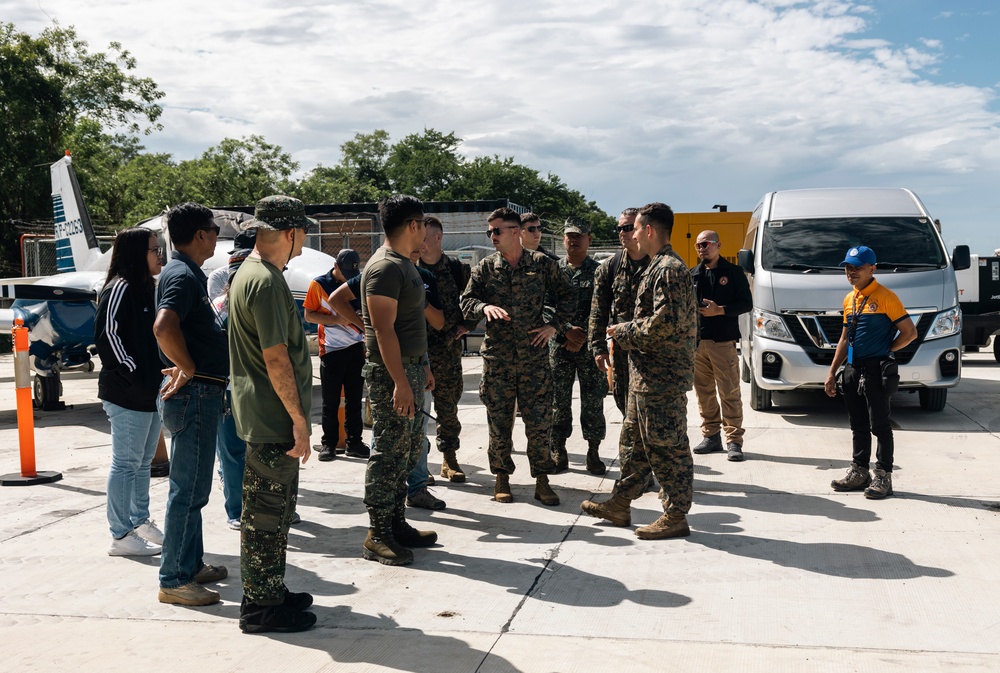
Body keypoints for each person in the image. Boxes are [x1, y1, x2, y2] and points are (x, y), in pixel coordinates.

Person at [581, 202, 698, 540]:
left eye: (635, 229)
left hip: (661, 378)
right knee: (633, 444)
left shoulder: (669, 269)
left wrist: (623, 331)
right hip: (643, 376)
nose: (630, 234)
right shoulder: (656, 266)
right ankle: (620, 503)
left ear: (648, 230)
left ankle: (676, 514)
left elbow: (664, 325)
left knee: (667, 447)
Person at [228, 195, 317, 633]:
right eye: (303, 230)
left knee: (275, 510)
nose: (306, 237)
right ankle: (261, 606)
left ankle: (270, 590)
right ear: (289, 233)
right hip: (271, 416)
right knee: (266, 513)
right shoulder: (263, 280)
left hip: (266, 412)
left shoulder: (257, 273)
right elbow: (276, 357)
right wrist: (299, 419)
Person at [461, 207, 575, 505]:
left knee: (539, 421)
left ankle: (542, 479)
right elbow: (466, 301)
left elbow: (569, 296)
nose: (492, 237)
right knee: (499, 421)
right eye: (490, 232)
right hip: (497, 359)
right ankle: (501, 477)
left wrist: (554, 326)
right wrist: (483, 308)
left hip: (534, 358)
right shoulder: (485, 268)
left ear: (514, 232)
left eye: (496, 231)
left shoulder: (541, 264)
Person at [327, 251, 447, 511]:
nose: (420, 245)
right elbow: (337, 300)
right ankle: (384, 504)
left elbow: (437, 322)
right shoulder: (381, 271)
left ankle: (415, 489)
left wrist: (418, 298)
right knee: (385, 433)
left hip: (415, 359)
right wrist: (364, 326)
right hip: (385, 361)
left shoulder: (423, 277)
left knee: (416, 430)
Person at [153, 202, 229, 606]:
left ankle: (190, 562)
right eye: (214, 229)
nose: (217, 235)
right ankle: (175, 579)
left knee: (193, 489)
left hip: (199, 392)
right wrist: (187, 365)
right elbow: (164, 327)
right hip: (196, 394)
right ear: (200, 234)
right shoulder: (182, 273)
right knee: (189, 491)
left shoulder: (184, 272)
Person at [360, 194, 437, 566]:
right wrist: (400, 383)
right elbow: (382, 329)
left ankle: (395, 523)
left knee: (406, 451)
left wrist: (420, 368)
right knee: (388, 453)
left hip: (407, 369)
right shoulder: (385, 267)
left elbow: (409, 326)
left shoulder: (403, 264)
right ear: (413, 226)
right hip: (390, 373)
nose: (425, 229)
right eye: (422, 223)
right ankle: (377, 534)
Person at [825, 246, 916, 500]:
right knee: (858, 425)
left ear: (872, 269)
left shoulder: (886, 297)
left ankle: (883, 476)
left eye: (857, 267)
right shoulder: (849, 299)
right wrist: (832, 372)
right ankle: (859, 471)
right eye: (848, 267)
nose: (851, 272)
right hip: (853, 369)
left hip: (876, 370)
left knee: (880, 425)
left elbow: (910, 332)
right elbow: (844, 338)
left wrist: (886, 350)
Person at [96, 227, 165, 557]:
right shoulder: (119, 288)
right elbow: (107, 335)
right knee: (125, 464)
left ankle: (139, 522)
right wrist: (132, 373)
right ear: (138, 253)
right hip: (127, 394)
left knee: (141, 464)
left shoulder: (147, 288)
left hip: (149, 393)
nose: (159, 255)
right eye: (154, 249)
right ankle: (120, 534)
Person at [418, 215, 477, 483]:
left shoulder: (456, 269)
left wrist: (468, 324)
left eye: (424, 235)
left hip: (448, 351)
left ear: (438, 238)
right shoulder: (409, 268)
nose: (418, 240)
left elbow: (477, 297)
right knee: (415, 410)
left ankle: (449, 459)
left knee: (448, 407)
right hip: (417, 350)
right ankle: (418, 466)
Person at [549, 220, 608, 475]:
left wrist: (582, 337)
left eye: (579, 236)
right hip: (559, 347)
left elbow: (604, 308)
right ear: (563, 240)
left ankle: (593, 452)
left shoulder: (600, 272)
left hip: (589, 348)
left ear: (589, 240)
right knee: (557, 401)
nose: (574, 240)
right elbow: (544, 306)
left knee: (593, 401)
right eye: (569, 236)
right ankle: (558, 450)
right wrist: (566, 334)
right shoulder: (552, 270)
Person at [690, 229, 753, 462]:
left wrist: (721, 310)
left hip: (723, 342)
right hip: (698, 343)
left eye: (706, 244)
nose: (701, 248)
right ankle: (711, 435)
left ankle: (734, 440)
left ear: (718, 245)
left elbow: (746, 303)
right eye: (698, 245)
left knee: (729, 392)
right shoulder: (692, 274)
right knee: (704, 393)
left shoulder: (733, 272)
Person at [304, 248, 368, 461]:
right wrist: (336, 320)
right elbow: (309, 315)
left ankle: (355, 442)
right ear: (335, 267)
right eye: (344, 274)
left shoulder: (356, 283)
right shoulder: (319, 284)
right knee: (330, 401)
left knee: (354, 398)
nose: (347, 280)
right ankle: (328, 444)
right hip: (330, 349)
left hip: (355, 347)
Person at [211, 248, 251, 530]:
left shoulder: (219, 304)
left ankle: (243, 510)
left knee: (236, 454)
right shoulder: (222, 306)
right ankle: (238, 511)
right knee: (236, 454)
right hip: (234, 390)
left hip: (232, 389)